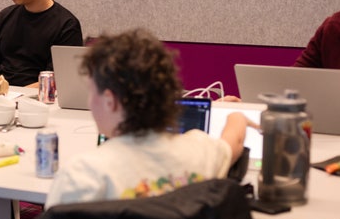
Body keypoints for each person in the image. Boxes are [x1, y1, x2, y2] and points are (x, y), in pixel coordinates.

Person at [46, 28, 250, 208]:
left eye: (91, 91)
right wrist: (236, 115)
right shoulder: (203, 151)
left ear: (110, 100)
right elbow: (235, 140)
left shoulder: (81, 176)